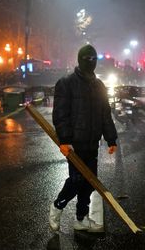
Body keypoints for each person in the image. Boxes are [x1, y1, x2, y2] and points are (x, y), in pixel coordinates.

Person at [49, 44, 118, 232]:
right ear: (80, 60)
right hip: (74, 144)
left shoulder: (99, 85)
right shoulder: (67, 83)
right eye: (87, 59)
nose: (91, 63)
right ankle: (57, 207)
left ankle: (80, 218)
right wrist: (64, 141)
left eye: (94, 59)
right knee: (76, 180)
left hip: (92, 144)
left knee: (89, 183)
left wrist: (111, 139)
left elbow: (105, 114)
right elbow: (60, 115)